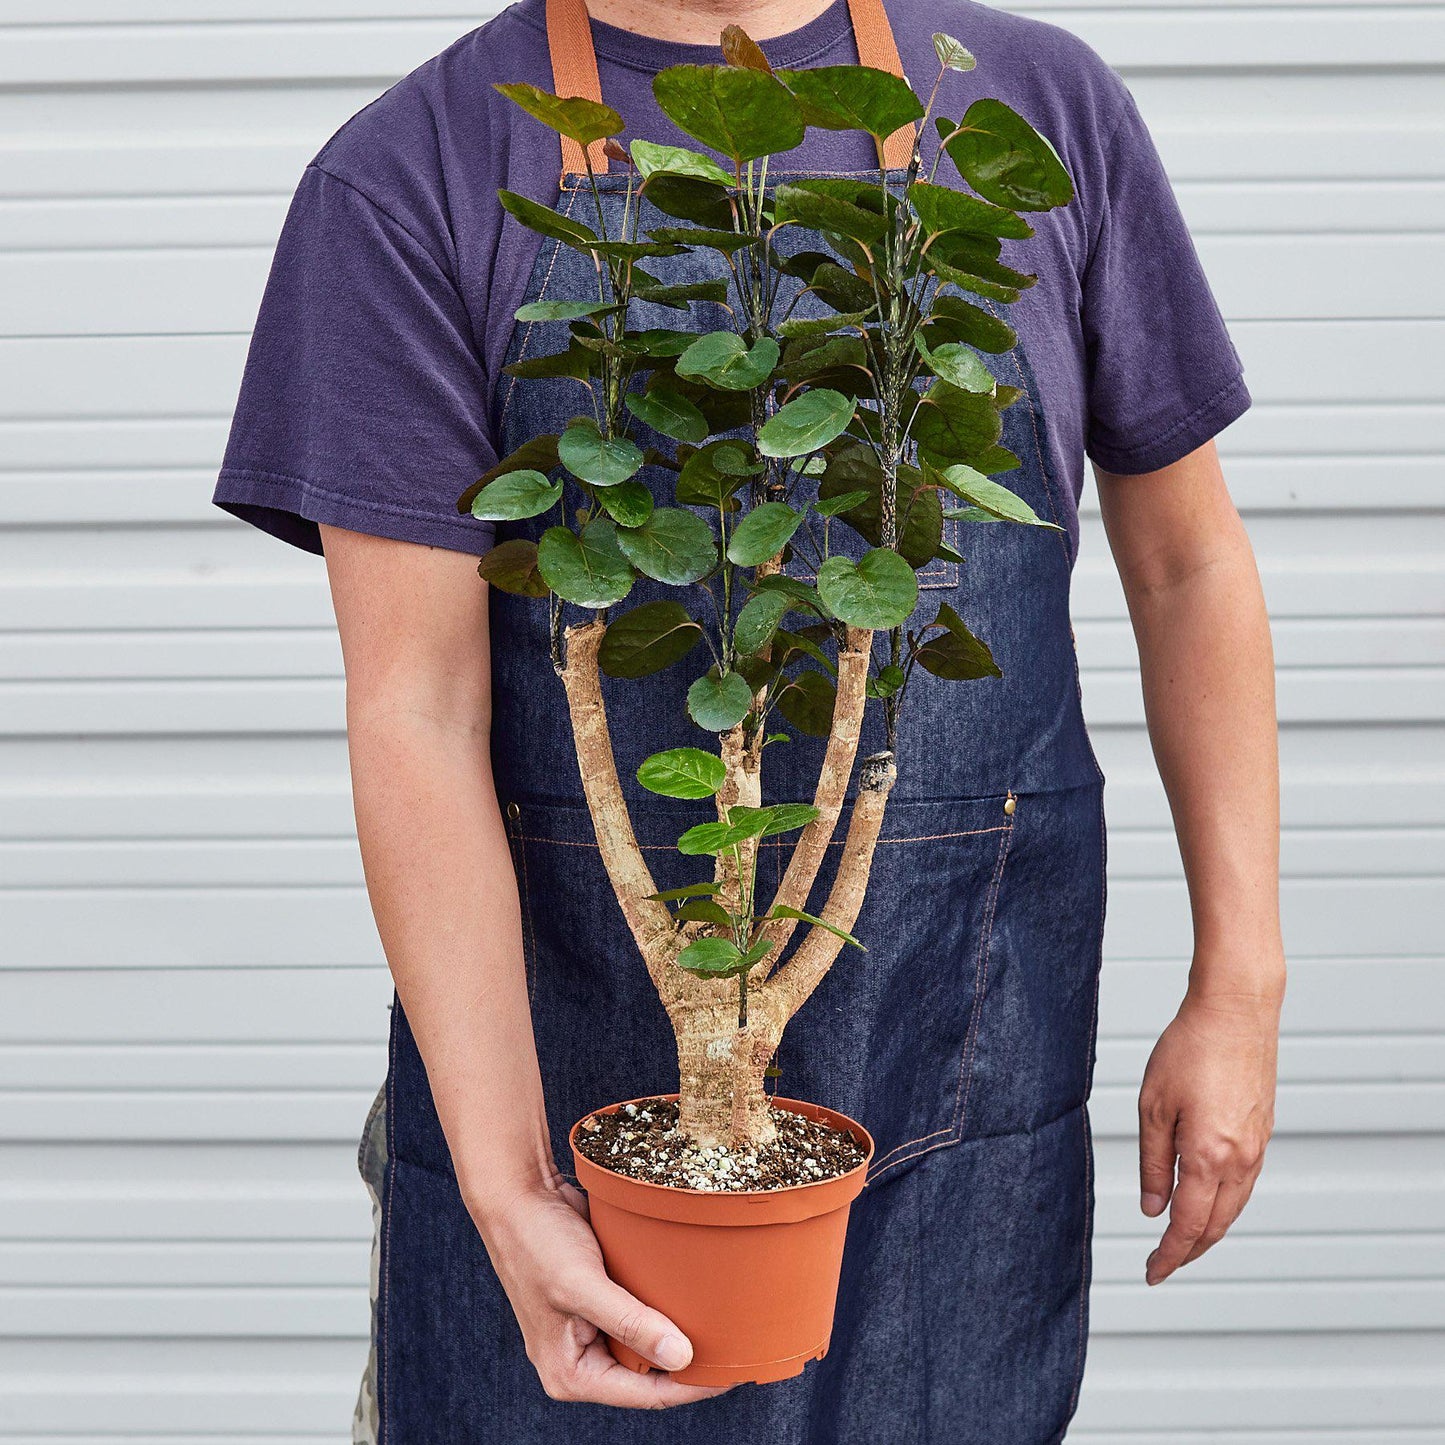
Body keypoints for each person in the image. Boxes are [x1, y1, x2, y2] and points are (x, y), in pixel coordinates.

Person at [213, 0, 1286, 1438]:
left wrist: (1241, 984)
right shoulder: (417, 169)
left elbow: (1188, 562)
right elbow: (414, 706)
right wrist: (511, 1187)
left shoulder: (1033, 114)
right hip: (573, 1143)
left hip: (955, 1093)